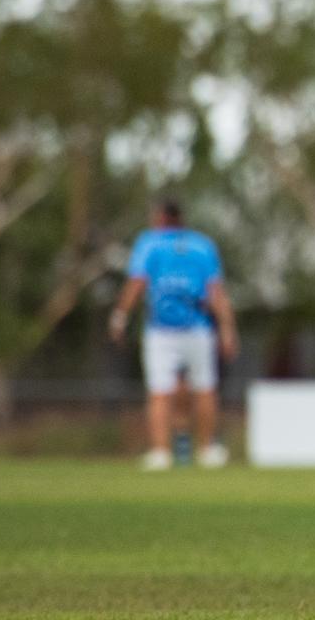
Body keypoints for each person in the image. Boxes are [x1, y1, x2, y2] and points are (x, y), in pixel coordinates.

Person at [110, 199, 239, 471]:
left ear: (160, 218)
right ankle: (206, 451)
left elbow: (137, 283)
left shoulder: (150, 243)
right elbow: (216, 293)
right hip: (199, 329)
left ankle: (161, 453)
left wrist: (120, 316)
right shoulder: (203, 245)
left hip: (162, 331)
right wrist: (227, 329)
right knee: (204, 389)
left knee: (160, 392)